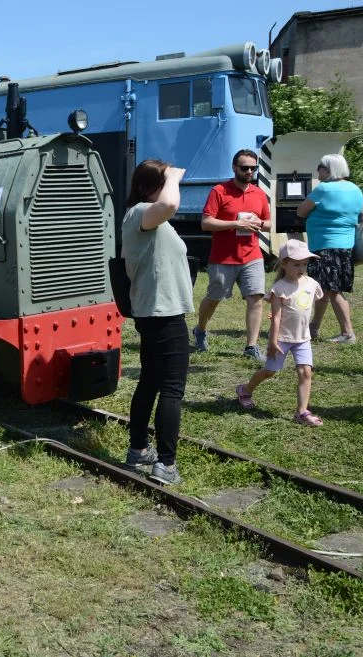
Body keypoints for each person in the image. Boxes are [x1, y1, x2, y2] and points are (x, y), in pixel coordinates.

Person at [120, 160, 193, 486]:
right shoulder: (141, 214)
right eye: (163, 181)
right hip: (163, 316)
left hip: (155, 313)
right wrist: (174, 176)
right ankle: (165, 464)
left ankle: (138, 450)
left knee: (150, 381)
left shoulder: (146, 217)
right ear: (150, 186)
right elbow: (172, 203)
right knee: (172, 390)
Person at [192, 149, 271, 364]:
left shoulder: (259, 193)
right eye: (245, 168)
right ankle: (200, 329)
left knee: (256, 298)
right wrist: (236, 224)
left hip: (252, 256)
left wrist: (259, 224)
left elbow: (270, 222)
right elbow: (206, 222)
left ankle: (251, 346)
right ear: (234, 168)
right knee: (214, 298)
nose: (249, 171)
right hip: (223, 257)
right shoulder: (219, 191)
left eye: (253, 168)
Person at [235, 240, 324, 426]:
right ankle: (245, 389)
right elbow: (276, 317)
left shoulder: (312, 284)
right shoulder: (279, 288)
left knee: (305, 372)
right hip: (282, 339)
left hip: (303, 339)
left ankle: (301, 412)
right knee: (269, 371)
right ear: (284, 264)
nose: (302, 268)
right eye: (297, 264)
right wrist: (272, 342)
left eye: (305, 264)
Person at [296, 153, 363, 344]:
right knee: (324, 288)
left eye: (320, 166)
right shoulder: (355, 189)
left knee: (333, 291)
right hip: (346, 246)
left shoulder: (324, 190)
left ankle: (348, 333)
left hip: (324, 246)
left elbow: (301, 211)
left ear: (329, 169)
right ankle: (313, 328)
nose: (317, 170)